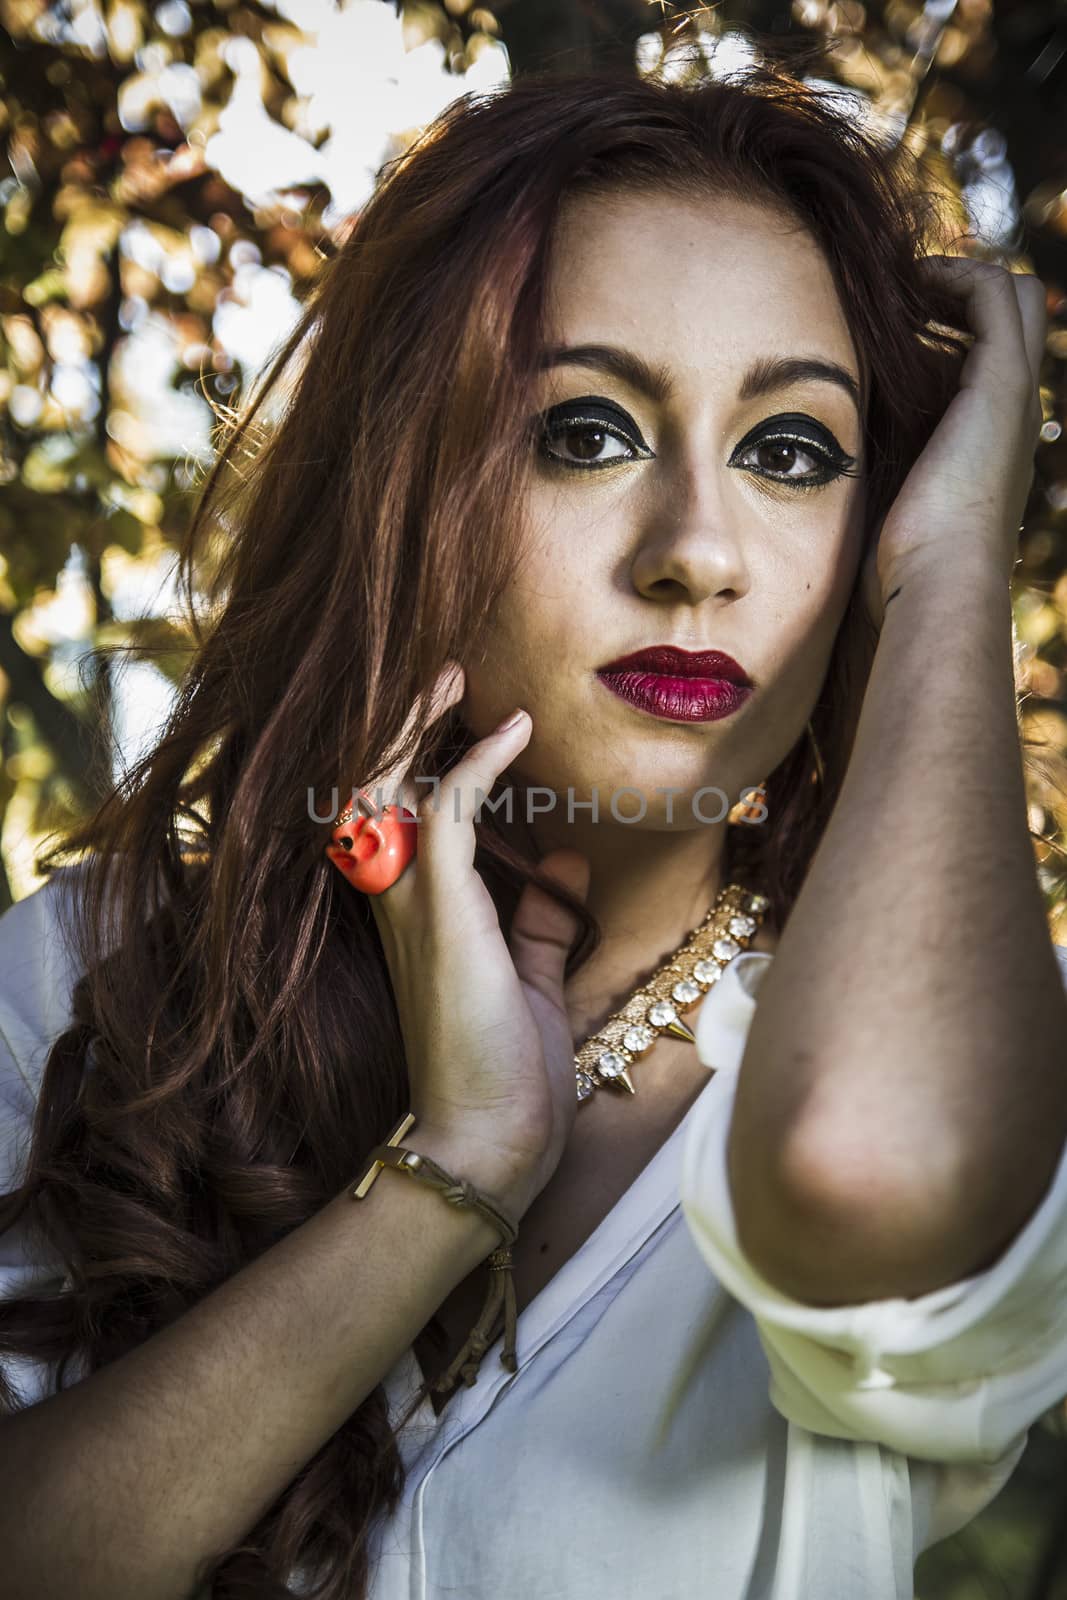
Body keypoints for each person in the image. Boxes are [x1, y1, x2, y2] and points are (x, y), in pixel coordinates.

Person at [1, 57, 1066, 1600]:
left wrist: (962, 563)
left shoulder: (934, 1055)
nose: (697, 552)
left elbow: (864, 1166)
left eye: (792, 452)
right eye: (587, 431)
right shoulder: (91, 976)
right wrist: (457, 1169)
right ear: (411, 486)